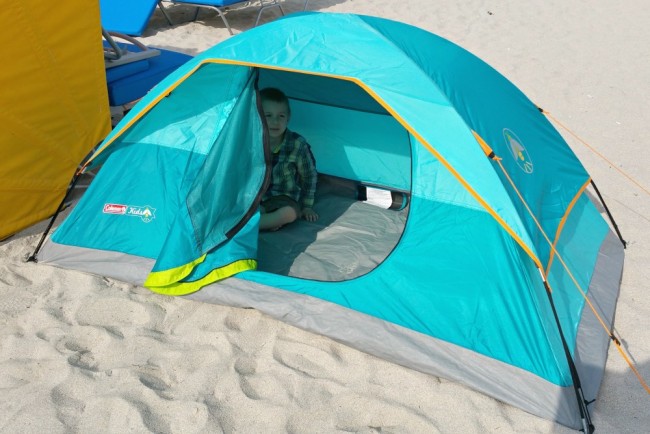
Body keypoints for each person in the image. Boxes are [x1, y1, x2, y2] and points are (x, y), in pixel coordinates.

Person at [258, 87, 319, 231]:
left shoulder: (297, 144)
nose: (275, 122)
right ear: (258, 116)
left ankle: (259, 224)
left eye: (281, 116)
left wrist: (307, 206)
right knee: (245, 207)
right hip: (257, 197)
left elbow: (309, 176)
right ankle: (264, 221)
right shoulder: (252, 141)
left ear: (288, 117)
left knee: (290, 212)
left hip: (284, 197)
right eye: (268, 115)